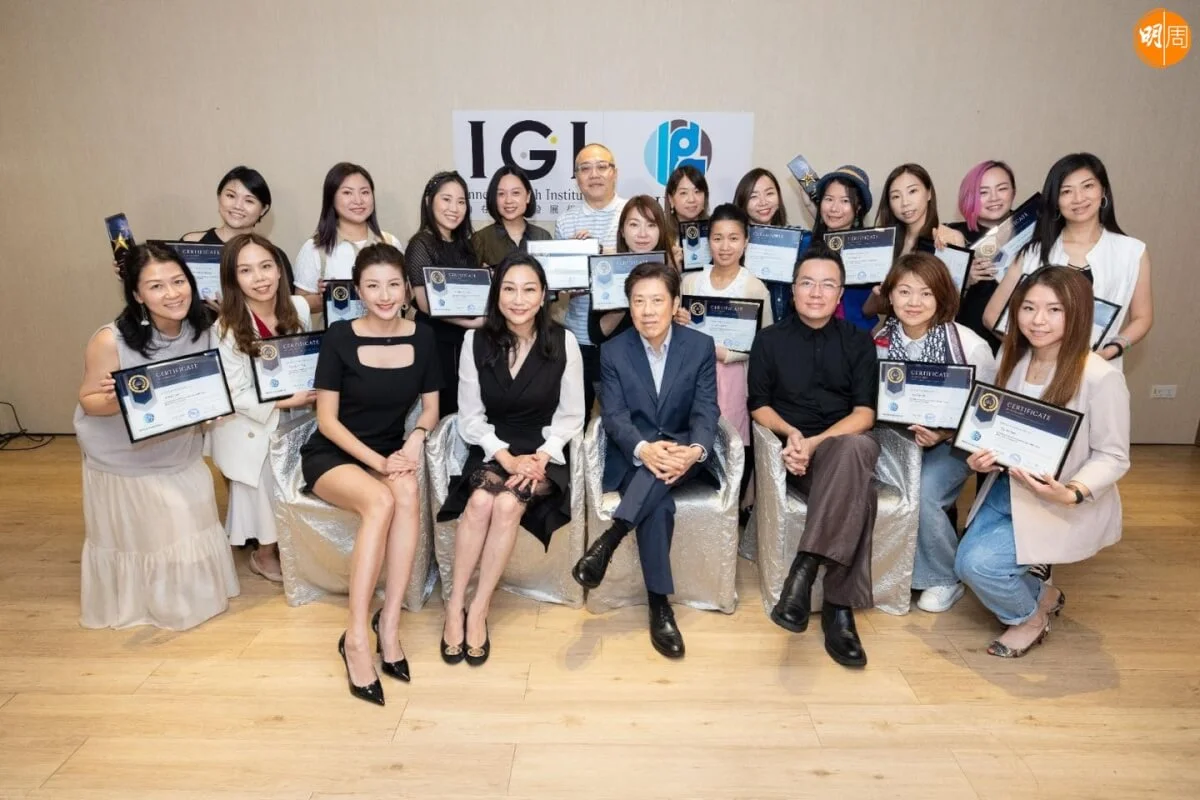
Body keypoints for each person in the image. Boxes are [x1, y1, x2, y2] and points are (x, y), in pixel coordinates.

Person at [957, 266, 1130, 657]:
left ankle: (1029, 618)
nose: (1038, 320)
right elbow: (995, 425)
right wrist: (979, 457)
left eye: (1054, 310)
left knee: (979, 566)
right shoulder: (1014, 358)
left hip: (1055, 499)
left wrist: (1070, 493)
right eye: (1029, 307)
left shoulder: (1099, 377)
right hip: (1006, 487)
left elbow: (1114, 455)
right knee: (966, 564)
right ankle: (1043, 595)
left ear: (1078, 313)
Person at [300, 244, 441, 705]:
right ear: (358, 291)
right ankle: (356, 637)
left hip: (389, 449)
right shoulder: (339, 337)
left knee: (407, 491)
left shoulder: (423, 337)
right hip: (334, 453)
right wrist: (379, 464)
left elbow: (431, 408)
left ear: (406, 289)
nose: (384, 295)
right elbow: (327, 422)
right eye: (373, 285)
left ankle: (390, 624)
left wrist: (414, 440)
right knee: (380, 501)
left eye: (394, 284)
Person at [75, 243, 239, 630]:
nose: (172, 293)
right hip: (125, 460)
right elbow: (88, 401)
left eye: (178, 281)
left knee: (186, 531)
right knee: (156, 538)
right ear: (137, 294)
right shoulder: (110, 340)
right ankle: (154, 605)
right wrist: (120, 399)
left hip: (180, 451)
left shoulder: (204, 329)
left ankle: (188, 598)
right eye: (156, 286)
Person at [436, 253, 585, 666]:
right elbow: (470, 417)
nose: (519, 300)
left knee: (505, 505)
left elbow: (572, 416)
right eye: (509, 289)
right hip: (493, 445)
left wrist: (541, 457)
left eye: (529, 290)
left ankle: (479, 608)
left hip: (544, 450)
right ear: (496, 294)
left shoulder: (564, 342)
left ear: (544, 295)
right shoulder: (475, 341)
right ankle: (454, 605)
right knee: (480, 502)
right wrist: (504, 456)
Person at [571, 261, 719, 659]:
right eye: (639, 301)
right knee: (659, 507)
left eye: (657, 300)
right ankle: (659, 605)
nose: (648, 311)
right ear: (629, 305)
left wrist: (695, 451)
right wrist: (643, 449)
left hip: (684, 454)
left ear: (675, 303)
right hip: (633, 456)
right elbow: (615, 416)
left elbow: (706, 410)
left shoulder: (699, 346)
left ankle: (610, 539)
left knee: (665, 469)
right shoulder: (613, 351)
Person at [749, 244, 879, 668]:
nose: (816, 293)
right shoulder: (768, 340)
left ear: (840, 294)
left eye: (827, 285)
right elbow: (758, 405)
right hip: (792, 455)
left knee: (854, 449)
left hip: (839, 448)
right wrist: (792, 436)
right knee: (861, 492)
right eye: (807, 283)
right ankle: (839, 611)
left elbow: (864, 414)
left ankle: (803, 571)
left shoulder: (859, 342)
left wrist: (816, 442)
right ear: (793, 289)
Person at [872, 253, 997, 612]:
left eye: (926, 293)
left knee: (924, 491)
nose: (914, 302)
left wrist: (944, 434)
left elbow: (987, 415)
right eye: (904, 292)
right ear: (890, 295)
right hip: (893, 439)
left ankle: (944, 577)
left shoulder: (969, 346)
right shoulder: (878, 340)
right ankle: (886, 570)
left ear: (942, 296)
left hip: (953, 444)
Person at [984, 153, 1153, 370]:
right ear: (1055, 201)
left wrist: (1113, 349)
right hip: (1030, 372)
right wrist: (1033, 354)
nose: (1078, 198)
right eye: (1066, 191)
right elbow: (991, 316)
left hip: (1095, 370)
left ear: (1103, 191)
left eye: (1087, 186)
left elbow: (1142, 318)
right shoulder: (1033, 252)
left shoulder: (1132, 251)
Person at [210, 233, 314, 584]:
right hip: (248, 424)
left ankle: (291, 544)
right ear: (233, 279)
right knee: (266, 479)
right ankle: (264, 553)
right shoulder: (225, 328)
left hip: (297, 415)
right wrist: (285, 401)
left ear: (280, 270)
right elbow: (234, 393)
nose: (260, 278)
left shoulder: (298, 308)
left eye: (266, 266)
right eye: (246, 270)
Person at [679, 203, 773, 522]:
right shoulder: (691, 283)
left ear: (746, 242)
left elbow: (764, 345)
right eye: (718, 238)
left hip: (735, 377)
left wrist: (727, 353)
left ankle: (729, 513)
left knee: (733, 444)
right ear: (708, 241)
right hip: (694, 377)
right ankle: (698, 511)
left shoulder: (755, 287)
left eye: (733, 238)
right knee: (695, 438)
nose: (725, 246)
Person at [554, 143, 627, 416]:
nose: (594, 174)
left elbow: (644, 267)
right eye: (585, 169)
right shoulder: (565, 221)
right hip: (579, 336)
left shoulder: (632, 214)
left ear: (614, 173)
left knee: (622, 415)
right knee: (576, 415)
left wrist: (602, 255)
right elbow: (562, 288)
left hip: (625, 333)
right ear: (577, 177)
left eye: (601, 167)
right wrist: (572, 265)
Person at [406, 170, 484, 416]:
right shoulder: (421, 243)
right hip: (436, 342)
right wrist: (472, 323)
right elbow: (425, 303)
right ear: (429, 201)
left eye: (461, 202)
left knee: (468, 406)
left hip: (465, 342)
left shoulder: (465, 245)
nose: (454, 208)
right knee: (443, 409)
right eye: (446, 199)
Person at [293, 162, 403, 316]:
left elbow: (406, 296)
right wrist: (323, 297)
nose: (358, 200)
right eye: (347, 193)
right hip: (337, 330)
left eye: (365, 192)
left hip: (387, 330)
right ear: (331, 198)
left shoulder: (390, 242)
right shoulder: (315, 247)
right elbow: (299, 305)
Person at [862, 164, 967, 322]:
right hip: (894, 331)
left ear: (929, 193)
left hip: (932, 332)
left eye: (912, 191)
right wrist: (879, 294)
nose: (905, 202)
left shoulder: (947, 238)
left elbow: (951, 306)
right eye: (896, 196)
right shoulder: (888, 243)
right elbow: (869, 310)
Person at [589, 195, 679, 345]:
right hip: (617, 356)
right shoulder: (605, 270)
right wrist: (623, 300)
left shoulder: (669, 272)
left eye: (651, 225)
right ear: (622, 231)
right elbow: (596, 335)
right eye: (634, 225)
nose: (642, 233)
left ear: (661, 230)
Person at [949, 160, 1018, 350]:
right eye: (983, 192)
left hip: (1021, 338)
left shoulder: (1033, 229)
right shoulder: (952, 236)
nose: (994, 198)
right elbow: (936, 299)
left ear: (1013, 191)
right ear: (969, 197)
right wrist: (964, 280)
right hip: (969, 342)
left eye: (1002, 189)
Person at [809, 165, 874, 331]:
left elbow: (871, 309)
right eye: (829, 199)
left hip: (854, 337)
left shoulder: (871, 251)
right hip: (808, 335)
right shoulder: (805, 245)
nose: (834, 208)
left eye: (845, 201)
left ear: (858, 207)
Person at [733, 168, 790, 322]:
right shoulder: (731, 245)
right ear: (743, 202)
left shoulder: (795, 242)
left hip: (782, 328)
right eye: (754, 196)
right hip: (743, 326)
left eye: (769, 193)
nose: (763, 202)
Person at [471, 165, 553, 266]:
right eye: (501, 194)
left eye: (515, 193)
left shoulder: (542, 237)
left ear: (528, 196)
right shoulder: (481, 240)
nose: (508, 200)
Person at [664, 164, 710, 231]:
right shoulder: (661, 232)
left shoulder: (715, 228)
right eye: (684, 193)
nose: (691, 199)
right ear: (671, 199)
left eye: (697, 191)